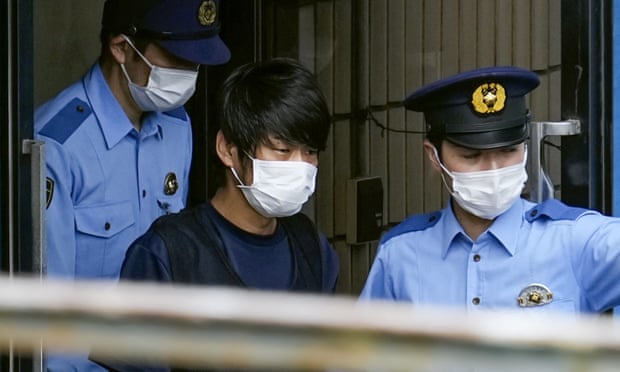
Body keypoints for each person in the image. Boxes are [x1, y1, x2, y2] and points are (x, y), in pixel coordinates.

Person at [90, 58, 339, 371]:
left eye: (310, 152)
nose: (299, 166)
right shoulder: (168, 253)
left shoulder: (313, 250)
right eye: (282, 150)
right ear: (227, 149)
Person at [35, 0, 229, 370]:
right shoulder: (58, 146)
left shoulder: (176, 126)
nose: (190, 73)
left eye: (196, 62)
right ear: (122, 48)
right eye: (177, 59)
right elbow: (49, 311)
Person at [360, 66, 620, 314]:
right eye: (471, 156)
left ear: (526, 146)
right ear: (434, 156)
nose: (493, 170)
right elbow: (358, 355)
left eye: (508, 151)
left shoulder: (574, 241)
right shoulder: (401, 255)